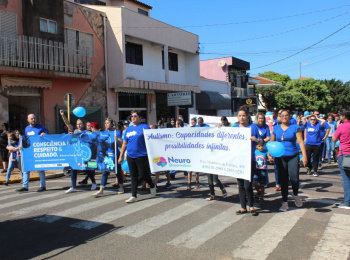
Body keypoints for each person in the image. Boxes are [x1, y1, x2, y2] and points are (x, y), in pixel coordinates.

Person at [270, 110, 307, 212]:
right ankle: (285, 202)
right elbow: (272, 142)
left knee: (294, 178)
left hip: (293, 156)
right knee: (283, 180)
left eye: (286, 115)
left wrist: (304, 156)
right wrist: (269, 153)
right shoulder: (276, 128)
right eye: (283, 116)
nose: (284, 117)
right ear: (280, 117)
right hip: (280, 157)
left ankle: (295, 195)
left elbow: (300, 141)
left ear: (289, 117)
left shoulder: (295, 127)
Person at [118, 110, 156, 203]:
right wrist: (121, 156)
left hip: (141, 155)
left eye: (135, 116)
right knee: (133, 176)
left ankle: (152, 185)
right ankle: (133, 195)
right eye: (131, 116)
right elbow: (124, 143)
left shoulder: (144, 127)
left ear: (140, 117)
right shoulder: (128, 129)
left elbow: (151, 139)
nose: (133, 117)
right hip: (131, 155)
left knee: (143, 174)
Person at [59, 110, 97, 193]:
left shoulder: (87, 132)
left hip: (84, 153)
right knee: (73, 168)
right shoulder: (75, 131)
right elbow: (68, 124)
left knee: (87, 168)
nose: (79, 125)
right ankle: (73, 186)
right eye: (77, 124)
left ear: (83, 124)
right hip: (76, 153)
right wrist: (63, 115)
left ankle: (94, 182)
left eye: (80, 124)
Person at [232, 108, 259, 216]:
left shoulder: (253, 128)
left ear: (248, 116)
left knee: (248, 185)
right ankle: (243, 207)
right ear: (237, 117)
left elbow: (261, 141)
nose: (242, 118)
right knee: (240, 185)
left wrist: (256, 140)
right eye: (240, 116)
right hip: (238, 160)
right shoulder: (234, 128)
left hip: (250, 160)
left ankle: (251, 206)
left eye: (244, 115)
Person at [16, 114, 48, 192]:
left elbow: (48, 135)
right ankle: (25, 186)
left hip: (38, 151)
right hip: (29, 152)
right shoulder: (27, 129)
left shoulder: (41, 127)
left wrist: (44, 134)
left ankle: (42, 186)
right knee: (26, 169)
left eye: (34, 118)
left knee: (40, 169)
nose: (33, 120)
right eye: (31, 118)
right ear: (28, 120)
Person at [93, 118, 124, 196]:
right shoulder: (103, 133)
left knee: (117, 172)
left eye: (108, 123)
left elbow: (121, 145)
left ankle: (121, 187)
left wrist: (117, 140)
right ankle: (101, 190)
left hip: (115, 155)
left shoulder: (116, 132)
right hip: (106, 156)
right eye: (105, 123)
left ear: (112, 124)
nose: (106, 124)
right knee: (105, 172)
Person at [333, 108, 350, 209]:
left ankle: (347, 201)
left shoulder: (342, 126)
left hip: (345, 154)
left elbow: (334, 138)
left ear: (343, 116)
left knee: (346, 178)